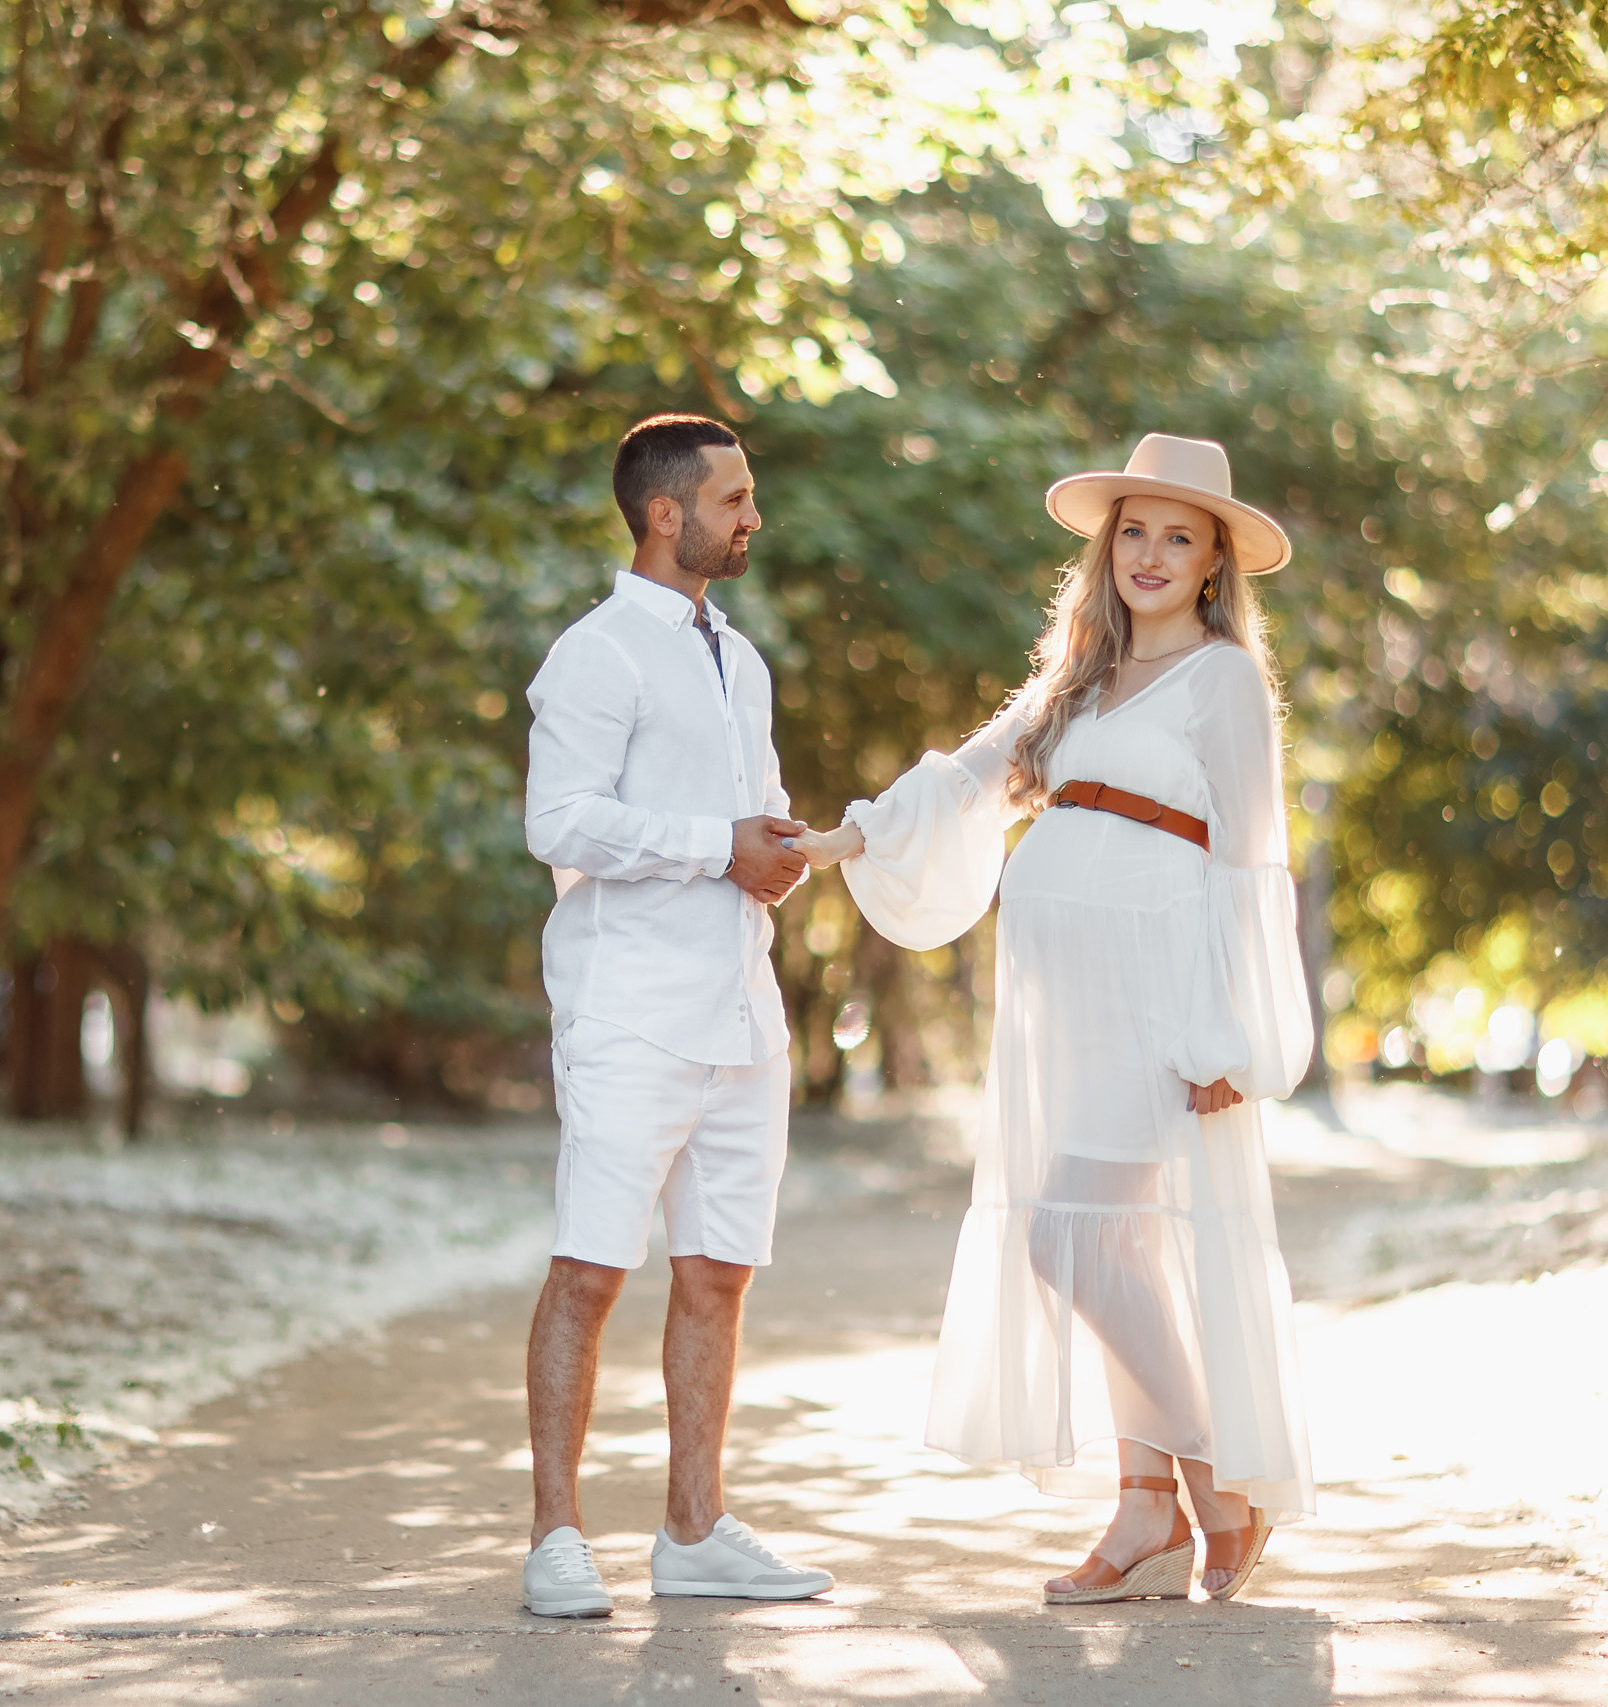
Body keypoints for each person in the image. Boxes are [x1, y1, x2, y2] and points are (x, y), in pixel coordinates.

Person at [794, 433, 1315, 1604]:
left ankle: (1218, 1483)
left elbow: (1249, 861)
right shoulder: (1078, 676)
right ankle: (1143, 1512)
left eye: (1177, 536)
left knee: (1065, 1236)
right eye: (1132, 530)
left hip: (1160, 991)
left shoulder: (1223, 680)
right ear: (1106, 546)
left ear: (1213, 562)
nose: (1149, 553)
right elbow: (972, 775)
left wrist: (1229, 1031)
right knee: (1111, 1243)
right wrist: (849, 837)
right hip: (1062, 1000)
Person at [516, 414, 836, 1619]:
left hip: (740, 1013)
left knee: (719, 1274)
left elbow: (749, 808)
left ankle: (694, 1531)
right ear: (667, 514)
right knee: (591, 1269)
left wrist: (784, 841)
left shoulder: (737, 659)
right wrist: (719, 848)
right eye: (735, 497)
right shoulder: (595, 655)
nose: (752, 516)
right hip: (629, 1011)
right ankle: (556, 1537)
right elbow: (561, 823)